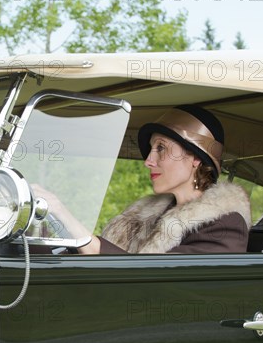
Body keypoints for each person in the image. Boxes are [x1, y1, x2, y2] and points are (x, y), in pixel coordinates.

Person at [78, 105, 251, 254]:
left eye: (161, 147)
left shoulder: (225, 225)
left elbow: (158, 281)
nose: (148, 161)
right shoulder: (147, 215)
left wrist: (89, 243)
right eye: (151, 148)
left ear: (196, 158)